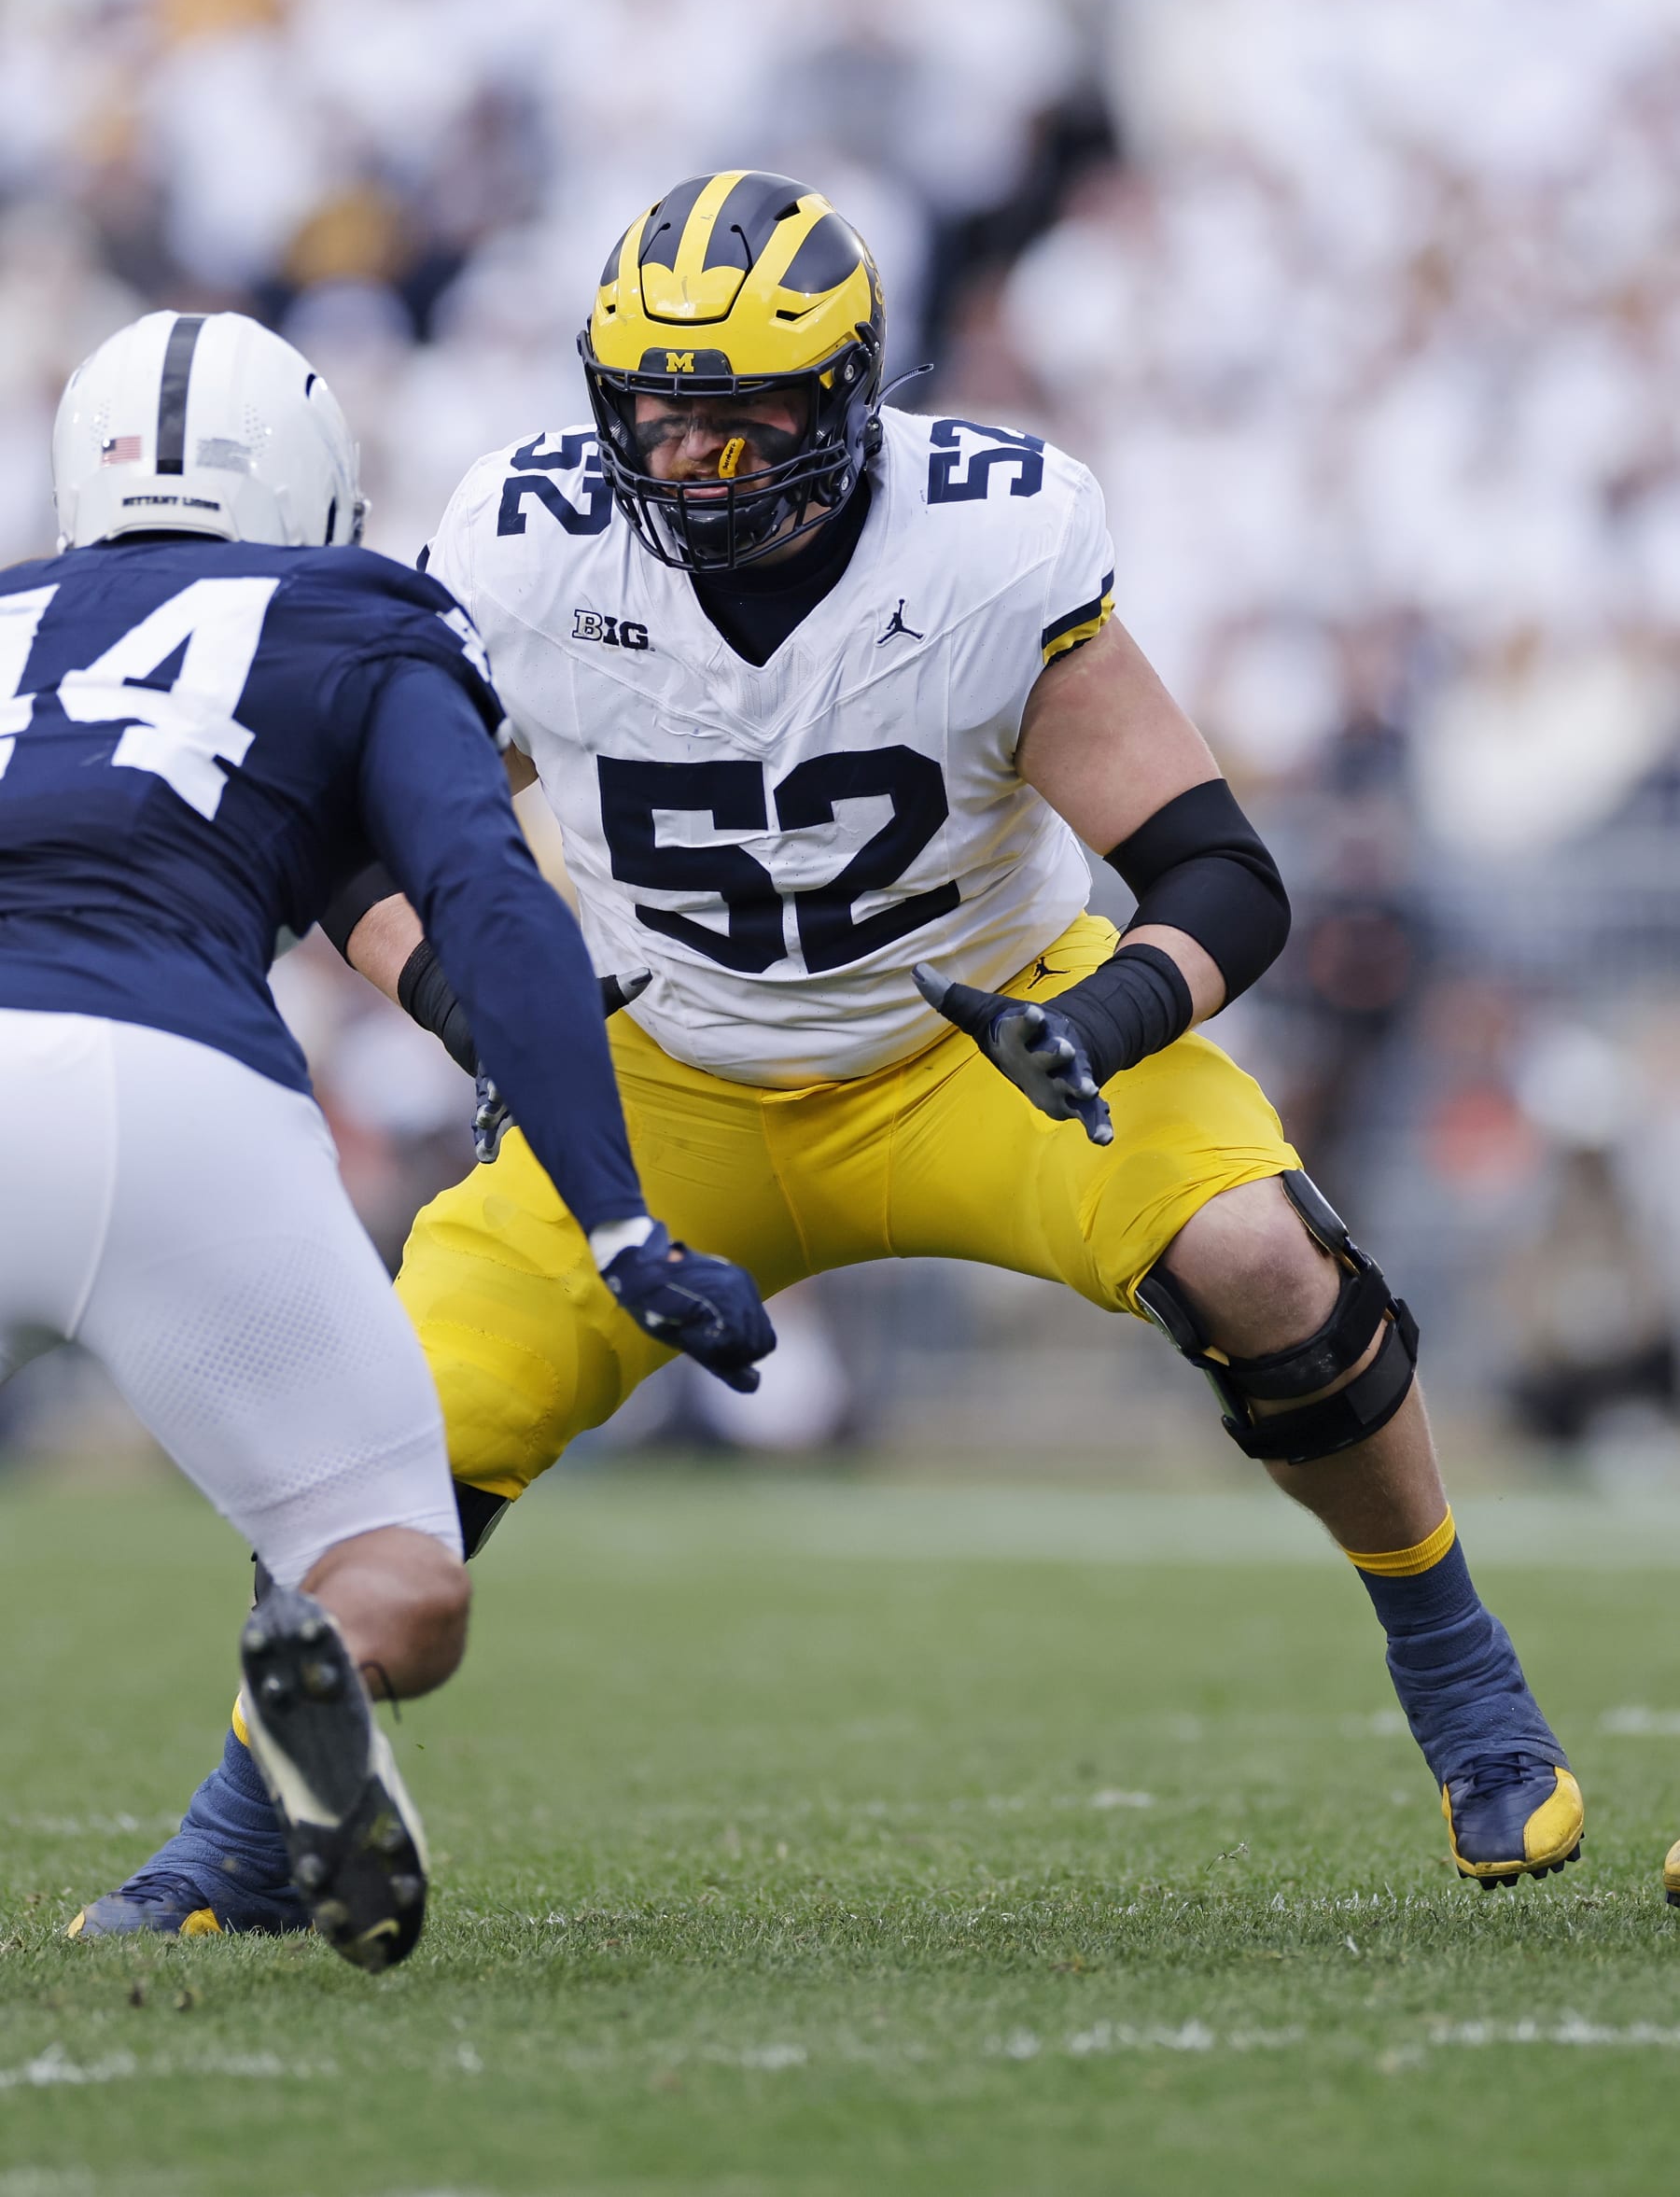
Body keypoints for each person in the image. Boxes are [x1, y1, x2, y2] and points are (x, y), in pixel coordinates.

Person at [77, 176, 1581, 1940]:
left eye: (740, 416)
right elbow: (358, 845)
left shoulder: (990, 536)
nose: (691, 457)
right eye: (655, 410)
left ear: (850, 394)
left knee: (1263, 1259)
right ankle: (245, 1830)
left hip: (985, 1039)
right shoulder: (519, 540)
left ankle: (1459, 1670)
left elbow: (1218, 874)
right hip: (663, 1075)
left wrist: (1098, 1021)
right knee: (389, 1425)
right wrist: (482, 1012)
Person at [3, 307, 771, 1968]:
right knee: (395, 1575)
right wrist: (621, 1222)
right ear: (318, 485)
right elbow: (487, 896)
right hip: (168, 1098)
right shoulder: (353, 611)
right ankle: (322, 1675)